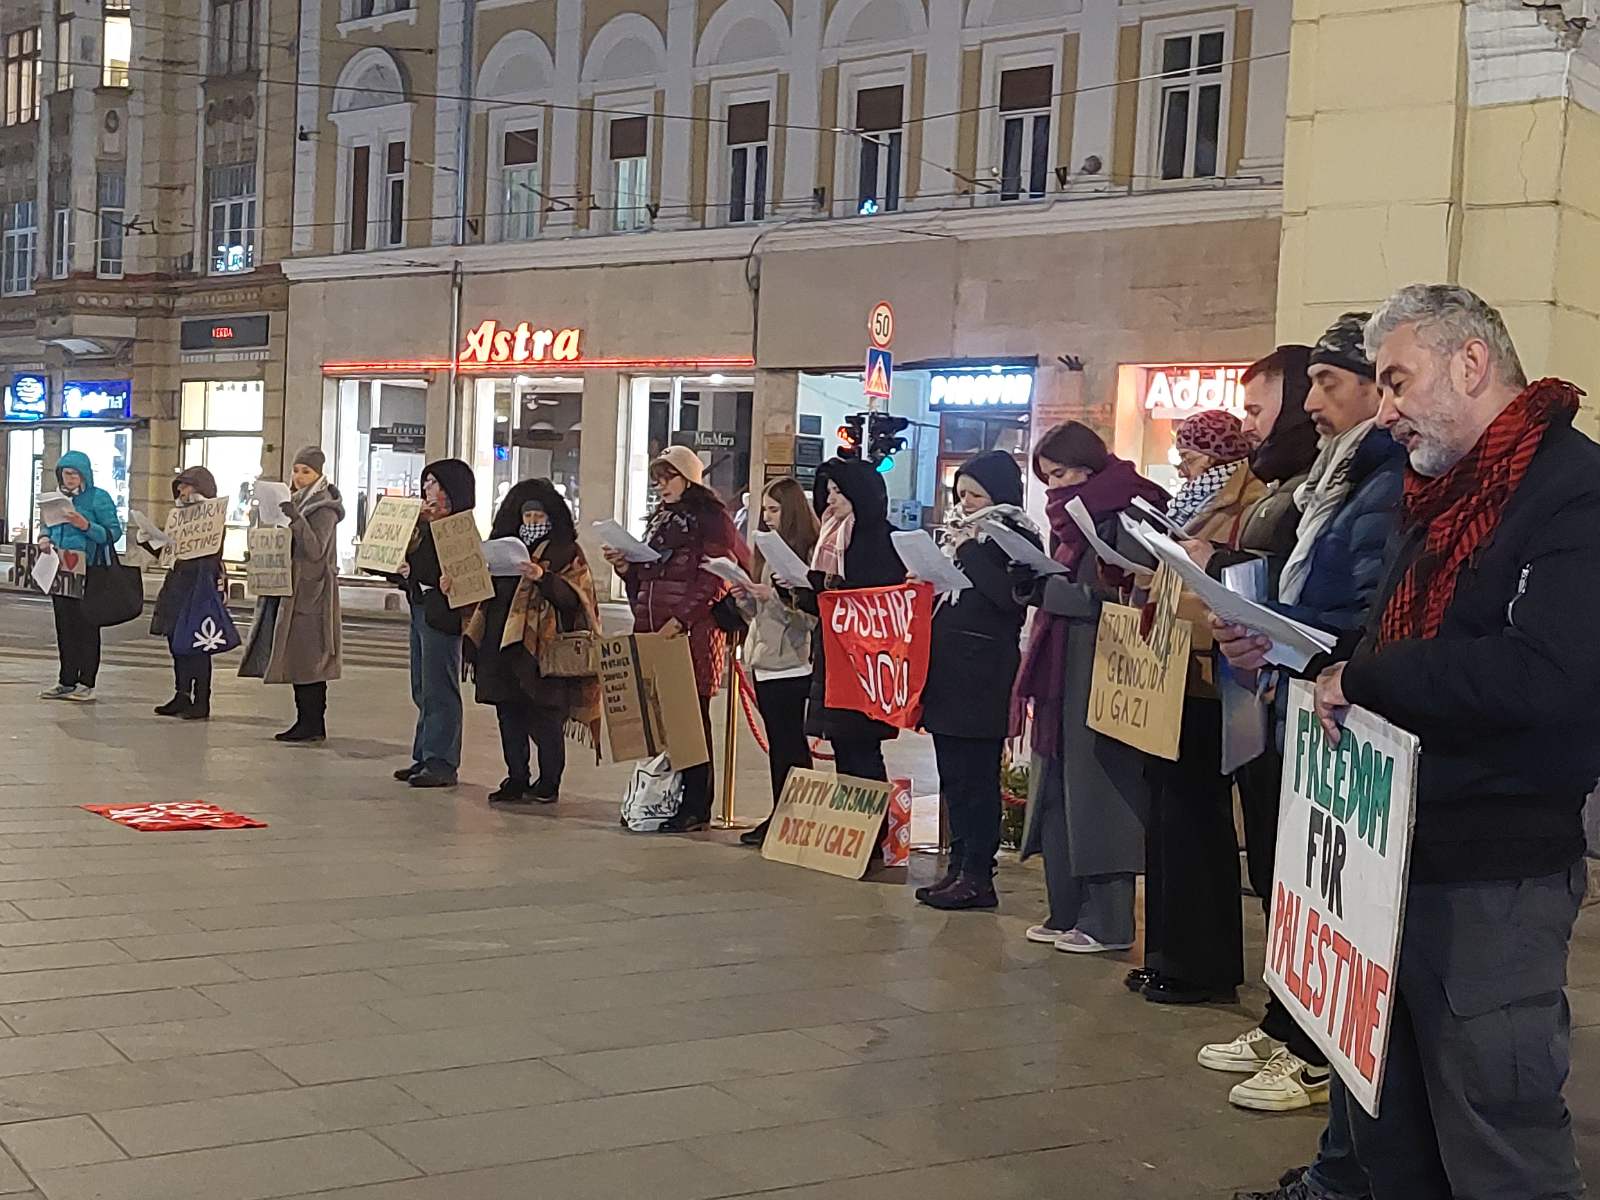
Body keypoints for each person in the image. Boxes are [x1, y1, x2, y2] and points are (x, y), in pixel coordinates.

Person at [1226, 285, 1600, 1200]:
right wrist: (1295, 650)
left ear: (1471, 364)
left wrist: (1372, 677)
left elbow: (1546, 677)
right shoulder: (1444, 494)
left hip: (1493, 868)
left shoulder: (1572, 492)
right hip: (1393, 853)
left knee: (1495, 1132)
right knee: (1393, 1122)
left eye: (1396, 382)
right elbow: (1398, 647)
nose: (1382, 410)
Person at [1200, 313, 1407, 1120]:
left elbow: (1360, 606)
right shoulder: (1337, 475)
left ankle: (1314, 1048)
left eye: (1329, 384)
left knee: (1326, 890)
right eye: (1312, 383)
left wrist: (1286, 633)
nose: (1312, 403)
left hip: (1338, 708)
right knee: (1291, 880)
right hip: (1296, 692)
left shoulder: (1378, 479)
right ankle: (1290, 1021)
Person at [1012, 421, 1166, 954]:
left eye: (1059, 474)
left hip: (1105, 670)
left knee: (1098, 793)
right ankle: (1066, 909)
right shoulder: (1073, 521)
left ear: (1086, 465)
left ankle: (1107, 921)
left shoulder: (1127, 508)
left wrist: (1051, 592)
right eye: (1046, 479)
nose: (1053, 488)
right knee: (1056, 789)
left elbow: (1127, 599)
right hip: (1065, 669)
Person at [915, 450, 1039, 911]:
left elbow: (1008, 597)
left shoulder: (1016, 534)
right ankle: (958, 864)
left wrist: (968, 548)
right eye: (961, 493)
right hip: (948, 666)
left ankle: (977, 874)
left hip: (983, 670)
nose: (966, 503)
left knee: (977, 777)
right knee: (953, 773)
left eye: (975, 494)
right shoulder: (961, 533)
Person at [603, 446, 747, 832]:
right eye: (658, 478)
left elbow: (714, 578)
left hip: (690, 633)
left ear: (689, 478)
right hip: (654, 629)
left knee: (690, 721)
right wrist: (625, 568)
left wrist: (681, 620)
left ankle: (696, 803)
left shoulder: (711, 521)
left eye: (669, 477)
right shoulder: (662, 521)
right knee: (662, 719)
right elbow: (646, 580)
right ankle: (664, 796)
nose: (662, 485)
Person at [464, 478, 601, 805]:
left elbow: (578, 598)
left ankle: (549, 781)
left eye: (539, 518)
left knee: (546, 717)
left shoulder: (566, 552)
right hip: (500, 645)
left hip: (542, 649)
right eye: (527, 518)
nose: (532, 524)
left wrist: (544, 579)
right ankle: (516, 776)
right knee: (508, 715)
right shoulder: (501, 545)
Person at [799, 457, 906, 787]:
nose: (830, 499)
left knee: (863, 751)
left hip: (868, 664)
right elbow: (822, 604)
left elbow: (886, 600)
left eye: (838, 492)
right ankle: (857, 831)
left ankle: (874, 832)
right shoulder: (829, 540)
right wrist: (800, 590)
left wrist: (841, 593)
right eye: (828, 491)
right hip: (833, 658)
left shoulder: (885, 540)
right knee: (844, 750)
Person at [732, 477, 819, 847]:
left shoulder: (806, 552)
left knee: (789, 744)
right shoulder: (766, 550)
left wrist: (780, 596)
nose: (767, 517)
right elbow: (758, 613)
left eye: (774, 509)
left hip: (793, 662)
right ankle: (781, 811)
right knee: (779, 744)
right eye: (763, 509)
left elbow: (810, 618)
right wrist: (744, 595)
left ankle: (795, 816)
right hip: (763, 657)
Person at [239, 448, 345, 743]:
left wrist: (295, 519)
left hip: (313, 591)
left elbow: (315, 550)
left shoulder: (324, 508)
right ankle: (305, 720)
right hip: (290, 588)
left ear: (319, 475)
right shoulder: (295, 501)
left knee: (311, 660)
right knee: (298, 658)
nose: (298, 477)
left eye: (305, 472)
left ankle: (313, 723)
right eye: (296, 470)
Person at [394, 458, 475, 788]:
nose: (427, 490)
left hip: (443, 615)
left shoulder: (458, 530)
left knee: (440, 687)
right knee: (422, 686)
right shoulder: (422, 527)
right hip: (420, 607)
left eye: (434, 484)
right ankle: (424, 754)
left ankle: (441, 760)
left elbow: (456, 576)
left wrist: (420, 575)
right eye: (426, 483)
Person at [39, 450, 122, 702]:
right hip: (61, 570)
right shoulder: (55, 498)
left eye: (75, 473)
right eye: (66, 473)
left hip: (89, 570)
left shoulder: (98, 498)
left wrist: (85, 525)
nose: (70, 478)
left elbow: (113, 534)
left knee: (86, 626)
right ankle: (66, 680)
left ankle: (86, 682)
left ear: (84, 475)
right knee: (65, 627)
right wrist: (44, 538)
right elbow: (48, 525)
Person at [141, 466, 223, 720]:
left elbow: (208, 553)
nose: (182, 491)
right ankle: (182, 693)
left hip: (200, 588)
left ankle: (202, 699)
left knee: (198, 645)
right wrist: (149, 541)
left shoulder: (213, 518)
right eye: (180, 487)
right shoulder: (179, 516)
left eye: (187, 487)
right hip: (178, 586)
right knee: (177, 643)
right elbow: (172, 554)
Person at [1169, 409, 1265, 540]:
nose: (1181, 473)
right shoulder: (1202, 499)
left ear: (1216, 457)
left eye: (1189, 460)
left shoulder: (1250, 502)